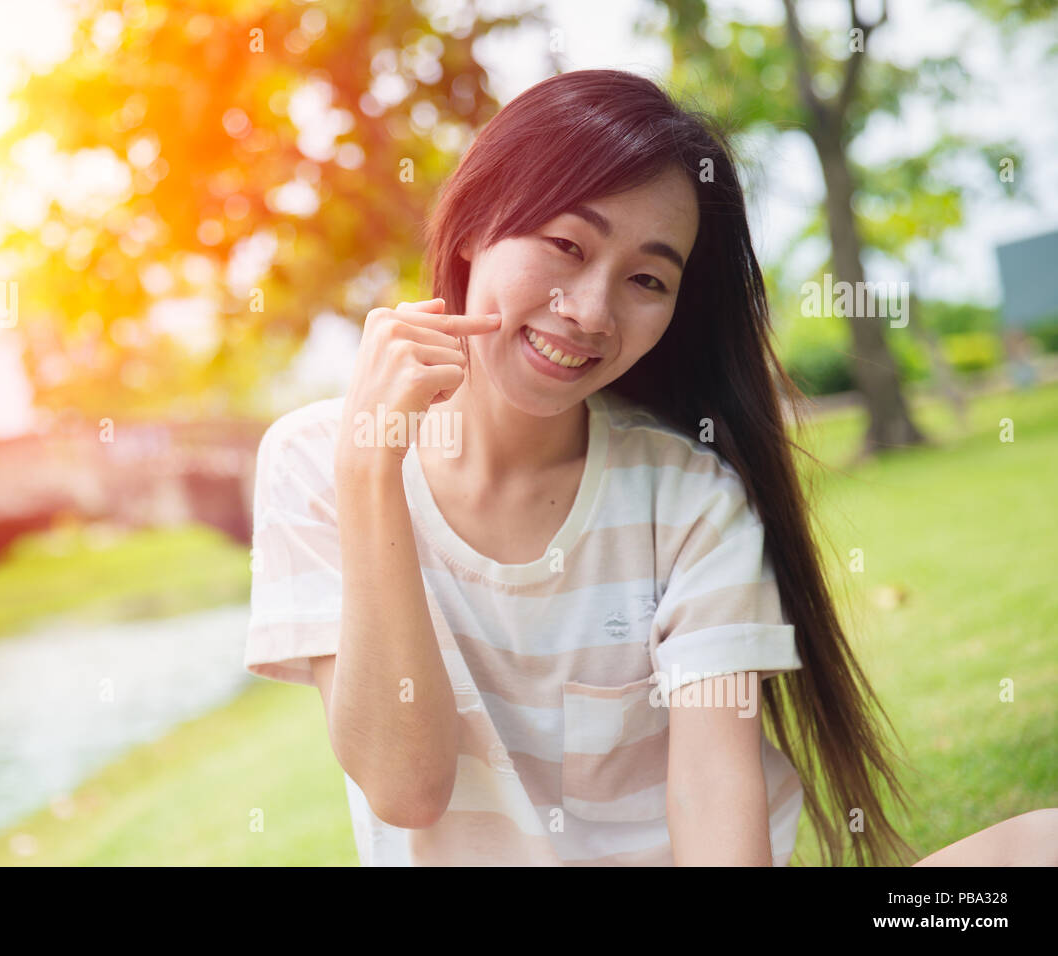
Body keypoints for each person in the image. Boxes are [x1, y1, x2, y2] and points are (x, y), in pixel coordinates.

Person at [244, 68, 1057, 866]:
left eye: (645, 279)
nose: (592, 310)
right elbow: (405, 791)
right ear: (470, 228)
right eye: (566, 243)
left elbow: (711, 792)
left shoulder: (690, 497)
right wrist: (369, 470)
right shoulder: (319, 463)